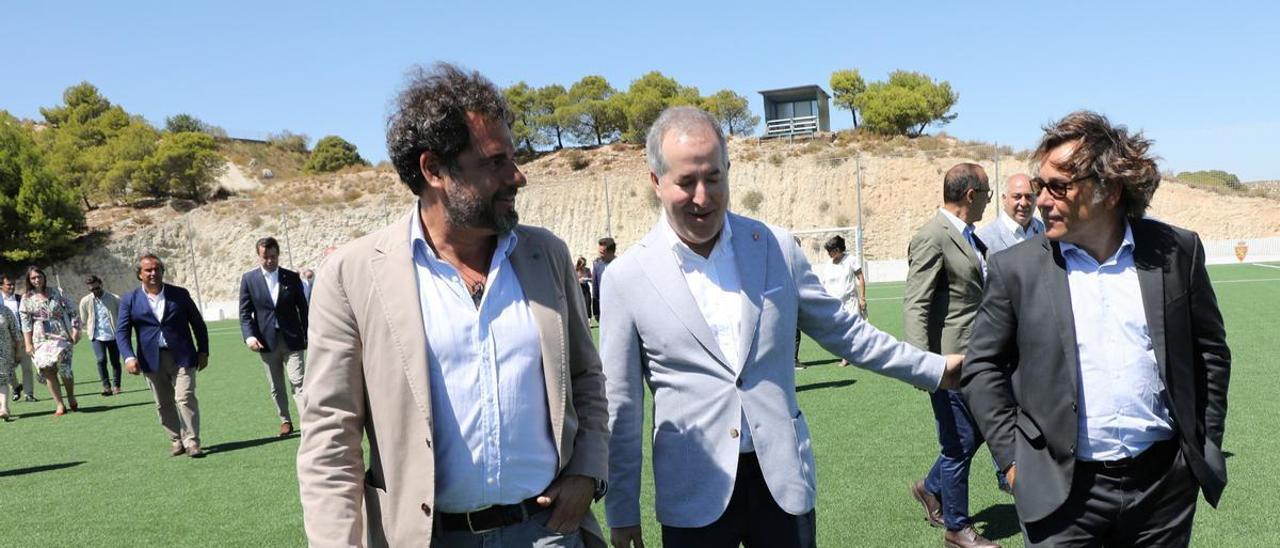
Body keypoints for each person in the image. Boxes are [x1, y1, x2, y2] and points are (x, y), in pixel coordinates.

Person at [600, 106, 962, 548]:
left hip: (782, 484)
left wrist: (934, 368)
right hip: (692, 495)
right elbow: (621, 408)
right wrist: (622, 511)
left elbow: (845, 332)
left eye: (714, 178)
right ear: (655, 181)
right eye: (685, 182)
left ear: (729, 171)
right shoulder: (626, 277)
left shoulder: (775, 247)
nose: (702, 197)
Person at [297, 62, 609, 547]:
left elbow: (587, 379)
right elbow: (330, 438)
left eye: (513, 157)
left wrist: (587, 473)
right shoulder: (354, 274)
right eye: (493, 162)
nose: (517, 176)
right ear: (434, 169)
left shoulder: (544, 254)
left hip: (548, 531)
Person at [962, 111, 1231, 547]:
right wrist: (1013, 463)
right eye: (1039, 185)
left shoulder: (1177, 251)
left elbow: (1211, 354)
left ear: (1108, 189)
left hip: (1163, 488)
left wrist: (1204, 443)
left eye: (1058, 187)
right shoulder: (1015, 268)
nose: (1041, 199)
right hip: (1059, 492)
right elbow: (982, 367)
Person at [903, 163, 999, 548]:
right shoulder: (933, 235)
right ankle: (957, 528)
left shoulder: (971, 237)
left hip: (976, 358)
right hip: (948, 363)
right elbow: (916, 304)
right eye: (988, 194)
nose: (989, 201)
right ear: (971, 196)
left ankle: (930, 486)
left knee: (976, 433)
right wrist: (921, 366)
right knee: (958, 442)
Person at [116, 253, 210, 458]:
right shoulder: (129, 300)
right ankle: (176, 439)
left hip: (182, 356)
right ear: (139, 274)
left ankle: (192, 441)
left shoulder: (180, 294)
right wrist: (129, 357)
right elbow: (121, 332)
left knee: (184, 397)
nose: (153, 273)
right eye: (148, 270)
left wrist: (203, 351)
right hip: (151, 360)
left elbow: (198, 324)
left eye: (157, 269)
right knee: (163, 403)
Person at [239, 236, 309, 437]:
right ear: (258, 256)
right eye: (265, 257)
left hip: (292, 339)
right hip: (266, 341)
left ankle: (307, 422)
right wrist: (249, 337)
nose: (270, 261)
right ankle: (285, 420)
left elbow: (303, 309)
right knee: (276, 386)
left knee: (298, 381)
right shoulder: (249, 280)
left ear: (278, 255)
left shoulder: (291, 278)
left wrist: (309, 333)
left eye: (273, 256)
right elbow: (244, 313)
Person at [19, 266, 80, 417]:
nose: (37, 280)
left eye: (39, 276)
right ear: (29, 280)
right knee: (47, 370)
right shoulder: (26, 298)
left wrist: (76, 330)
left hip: (60, 334)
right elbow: (25, 323)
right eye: (33, 278)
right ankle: (59, 404)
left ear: (44, 277)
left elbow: (73, 311)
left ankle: (71, 395)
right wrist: (28, 344)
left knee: (64, 369)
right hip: (40, 338)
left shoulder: (56, 293)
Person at [818, 235, 867, 367]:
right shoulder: (828, 264)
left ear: (838, 249)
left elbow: (860, 278)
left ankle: (850, 356)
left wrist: (862, 298)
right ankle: (848, 354)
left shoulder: (851, 260)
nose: (829, 254)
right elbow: (824, 283)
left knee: (852, 328)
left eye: (831, 251)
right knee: (838, 331)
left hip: (850, 301)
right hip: (834, 304)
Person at [975, 174, 1044, 256]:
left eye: (1029, 196)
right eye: (1017, 197)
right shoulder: (985, 239)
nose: (1023, 203)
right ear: (1004, 199)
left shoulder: (1045, 230)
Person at [79, 275, 123, 397]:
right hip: (96, 336)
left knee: (115, 361)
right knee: (101, 359)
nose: (95, 291)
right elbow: (83, 319)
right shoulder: (85, 301)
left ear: (101, 284)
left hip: (114, 335)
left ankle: (117, 385)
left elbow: (121, 316)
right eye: (92, 290)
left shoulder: (114, 298)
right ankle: (106, 386)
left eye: (97, 288)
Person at [2, 274, 36, 402]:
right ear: (1, 286)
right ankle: (16, 387)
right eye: (8, 285)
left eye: (13, 284)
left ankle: (29, 394)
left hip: (22, 337)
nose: (12, 287)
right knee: (8, 369)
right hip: (5, 340)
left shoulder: (20, 299)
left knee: (27, 367)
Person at [0, 300, 20, 420]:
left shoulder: (5, 311)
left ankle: (4, 408)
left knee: (2, 380)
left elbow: (16, 333)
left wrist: (18, 351)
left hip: (4, 353)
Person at [590, 237, 615, 320]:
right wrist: (596, 311)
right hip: (604, 309)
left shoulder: (620, 264)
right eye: (599, 252)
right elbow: (595, 289)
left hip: (619, 307)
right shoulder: (597, 265)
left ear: (610, 252)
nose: (600, 255)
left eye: (602, 252)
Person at [575, 256, 594, 323]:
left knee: (588, 303)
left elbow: (591, 279)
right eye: (583, 265)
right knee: (579, 304)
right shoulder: (575, 270)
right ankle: (580, 320)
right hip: (578, 288)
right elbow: (572, 280)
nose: (584, 266)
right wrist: (579, 280)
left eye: (585, 264)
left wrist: (589, 279)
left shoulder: (587, 270)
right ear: (579, 264)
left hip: (586, 288)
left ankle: (589, 320)